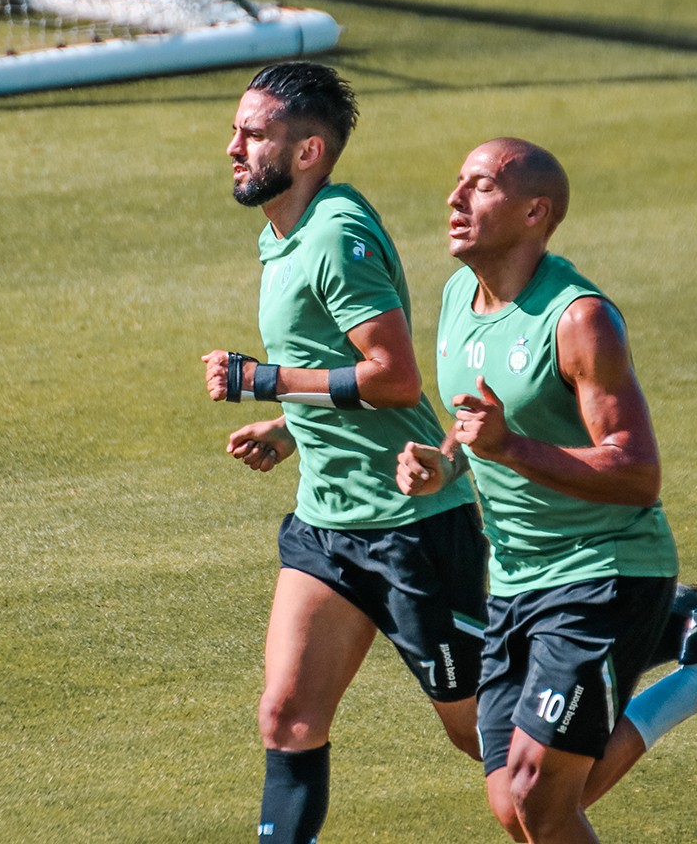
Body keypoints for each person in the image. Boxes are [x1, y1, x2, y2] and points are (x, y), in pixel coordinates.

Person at [396, 137, 697, 843]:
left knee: (538, 796)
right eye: (459, 182)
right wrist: (446, 464)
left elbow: (636, 472)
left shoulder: (579, 318)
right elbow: (482, 422)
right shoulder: (457, 300)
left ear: (535, 212)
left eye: (481, 186)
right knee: (518, 807)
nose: (455, 198)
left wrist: (509, 447)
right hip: (515, 579)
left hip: (604, 572)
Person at [201, 62, 489, 844]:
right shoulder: (284, 233)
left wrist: (264, 381)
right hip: (326, 527)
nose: (233, 148)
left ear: (307, 152)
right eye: (235, 131)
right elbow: (334, 363)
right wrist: (289, 426)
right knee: (288, 716)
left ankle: (681, 645)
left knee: (485, 738)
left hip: (411, 529)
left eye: (252, 134)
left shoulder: (334, 234)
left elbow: (394, 377)